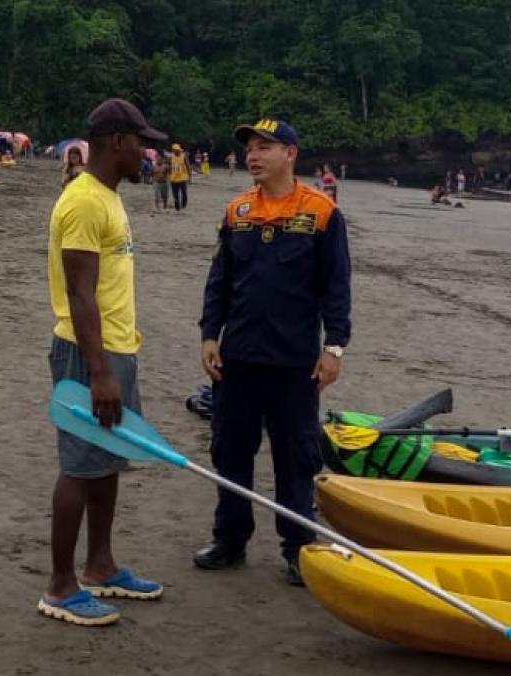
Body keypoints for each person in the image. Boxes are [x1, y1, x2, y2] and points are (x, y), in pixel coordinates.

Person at [195, 118, 351, 587]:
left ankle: (298, 547)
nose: (253, 155)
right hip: (238, 359)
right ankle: (230, 538)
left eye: (265, 147)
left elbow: (336, 289)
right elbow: (219, 281)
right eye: (250, 148)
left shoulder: (321, 213)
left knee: (295, 456)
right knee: (230, 451)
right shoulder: (238, 211)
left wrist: (335, 348)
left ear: (291, 154)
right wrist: (209, 335)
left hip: (294, 364)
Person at [39, 98, 170, 628]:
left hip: (115, 347)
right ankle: (61, 585)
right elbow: (80, 293)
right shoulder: (85, 202)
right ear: (118, 142)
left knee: (109, 457)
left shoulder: (109, 197)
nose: (148, 153)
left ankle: (100, 565)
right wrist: (98, 372)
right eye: (142, 143)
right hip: (85, 351)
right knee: (78, 465)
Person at [167, 143, 191, 211]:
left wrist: (189, 176)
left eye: (177, 150)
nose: (175, 151)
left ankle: (183, 204)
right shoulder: (171, 157)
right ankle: (177, 206)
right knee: (175, 194)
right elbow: (168, 167)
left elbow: (188, 166)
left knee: (184, 193)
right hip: (173, 178)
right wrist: (168, 175)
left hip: (183, 178)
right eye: (174, 150)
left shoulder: (184, 156)